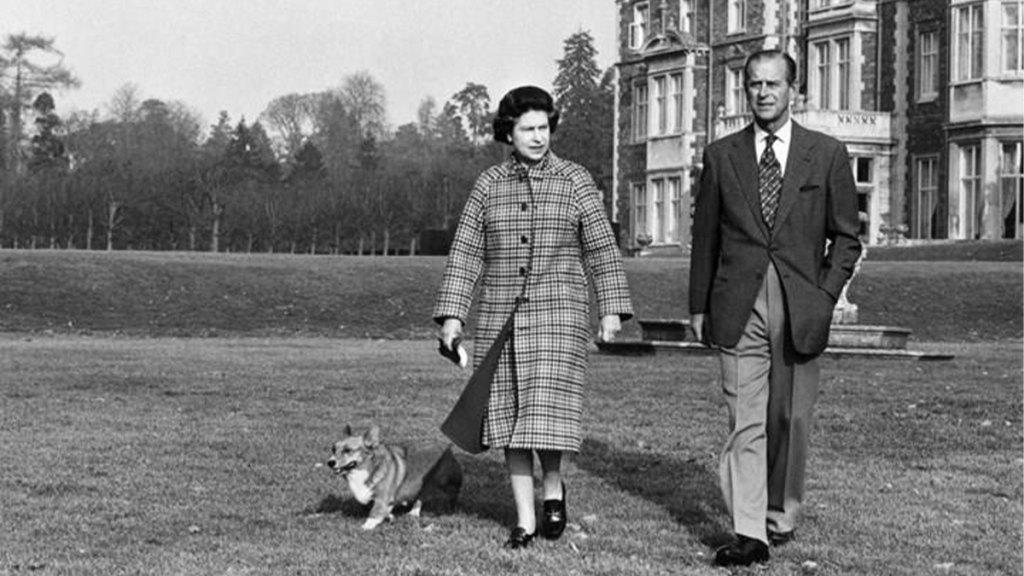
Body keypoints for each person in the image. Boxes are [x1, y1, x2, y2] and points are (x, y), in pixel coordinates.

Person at [433, 85, 633, 550]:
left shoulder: (576, 180)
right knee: (508, 419)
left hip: (560, 313)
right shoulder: (488, 185)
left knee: (545, 412)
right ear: (509, 132)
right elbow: (465, 254)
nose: (538, 137)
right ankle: (524, 519)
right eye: (528, 129)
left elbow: (601, 247)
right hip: (502, 314)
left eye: (544, 128)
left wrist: (611, 310)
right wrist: (452, 318)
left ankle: (553, 486)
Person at [688, 49, 862, 567]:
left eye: (774, 85)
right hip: (738, 303)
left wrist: (825, 295)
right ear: (745, 91)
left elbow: (846, 239)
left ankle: (779, 514)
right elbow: (705, 239)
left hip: (800, 303)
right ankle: (750, 534)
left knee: (789, 417)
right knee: (745, 419)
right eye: (754, 85)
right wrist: (699, 305)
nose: (764, 93)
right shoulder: (722, 156)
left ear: (794, 91)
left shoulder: (826, 154)